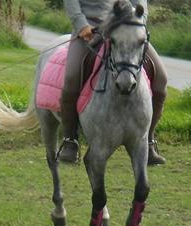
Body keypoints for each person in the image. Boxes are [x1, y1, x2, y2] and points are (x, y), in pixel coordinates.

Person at [59, 0, 167, 165]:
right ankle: (70, 141)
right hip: (90, 30)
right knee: (71, 79)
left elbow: (140, 3)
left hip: (126, 28)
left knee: (161, 80)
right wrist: (81, 25)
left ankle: (149, 140)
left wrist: (138, 22)